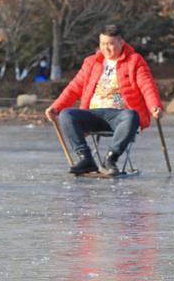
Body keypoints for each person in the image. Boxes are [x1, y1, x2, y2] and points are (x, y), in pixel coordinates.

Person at [45, 25, 164, 177]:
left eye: (110, 44)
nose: (105, 48)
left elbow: (147, 85)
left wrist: (154, 106)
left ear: (122, 43)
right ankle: (86, 158)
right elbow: (74, 88)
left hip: (120, 116)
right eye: (102, 44)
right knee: (66, 115)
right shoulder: (91, 62)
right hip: (93, 114)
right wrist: (56, 107)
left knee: (132, 115)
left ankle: (111, 158)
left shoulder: (134, 61)